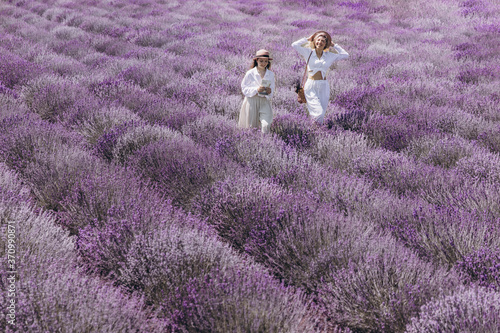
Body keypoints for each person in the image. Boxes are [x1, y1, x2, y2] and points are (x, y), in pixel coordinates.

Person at [292, 31, 349, 124]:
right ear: (314, 42)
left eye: (323, 41)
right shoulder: (308, 52)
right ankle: (316, 129)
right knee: (318, 112)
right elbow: (294, 45)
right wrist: (307, 39)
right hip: (311, 85)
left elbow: (346, 55)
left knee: (322, 113)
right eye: (318, 40)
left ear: (326, 44)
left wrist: (334, 45)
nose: (320, 42)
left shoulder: (329, 55)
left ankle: (315, 131)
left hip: (323, 86)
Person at [238, 49, 276, 133]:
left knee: (266, 125)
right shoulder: (250, 73)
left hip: (264, 101)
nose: (263, 63)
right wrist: (256, 90)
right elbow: (244, 88)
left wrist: (270, 91)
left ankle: (264, 142)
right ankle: (254, 144)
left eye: (266, 61)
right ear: (256, 60)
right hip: (252, 101)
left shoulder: (271, 74)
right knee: (251, 127)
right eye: (261, 61)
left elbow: (273, 88)